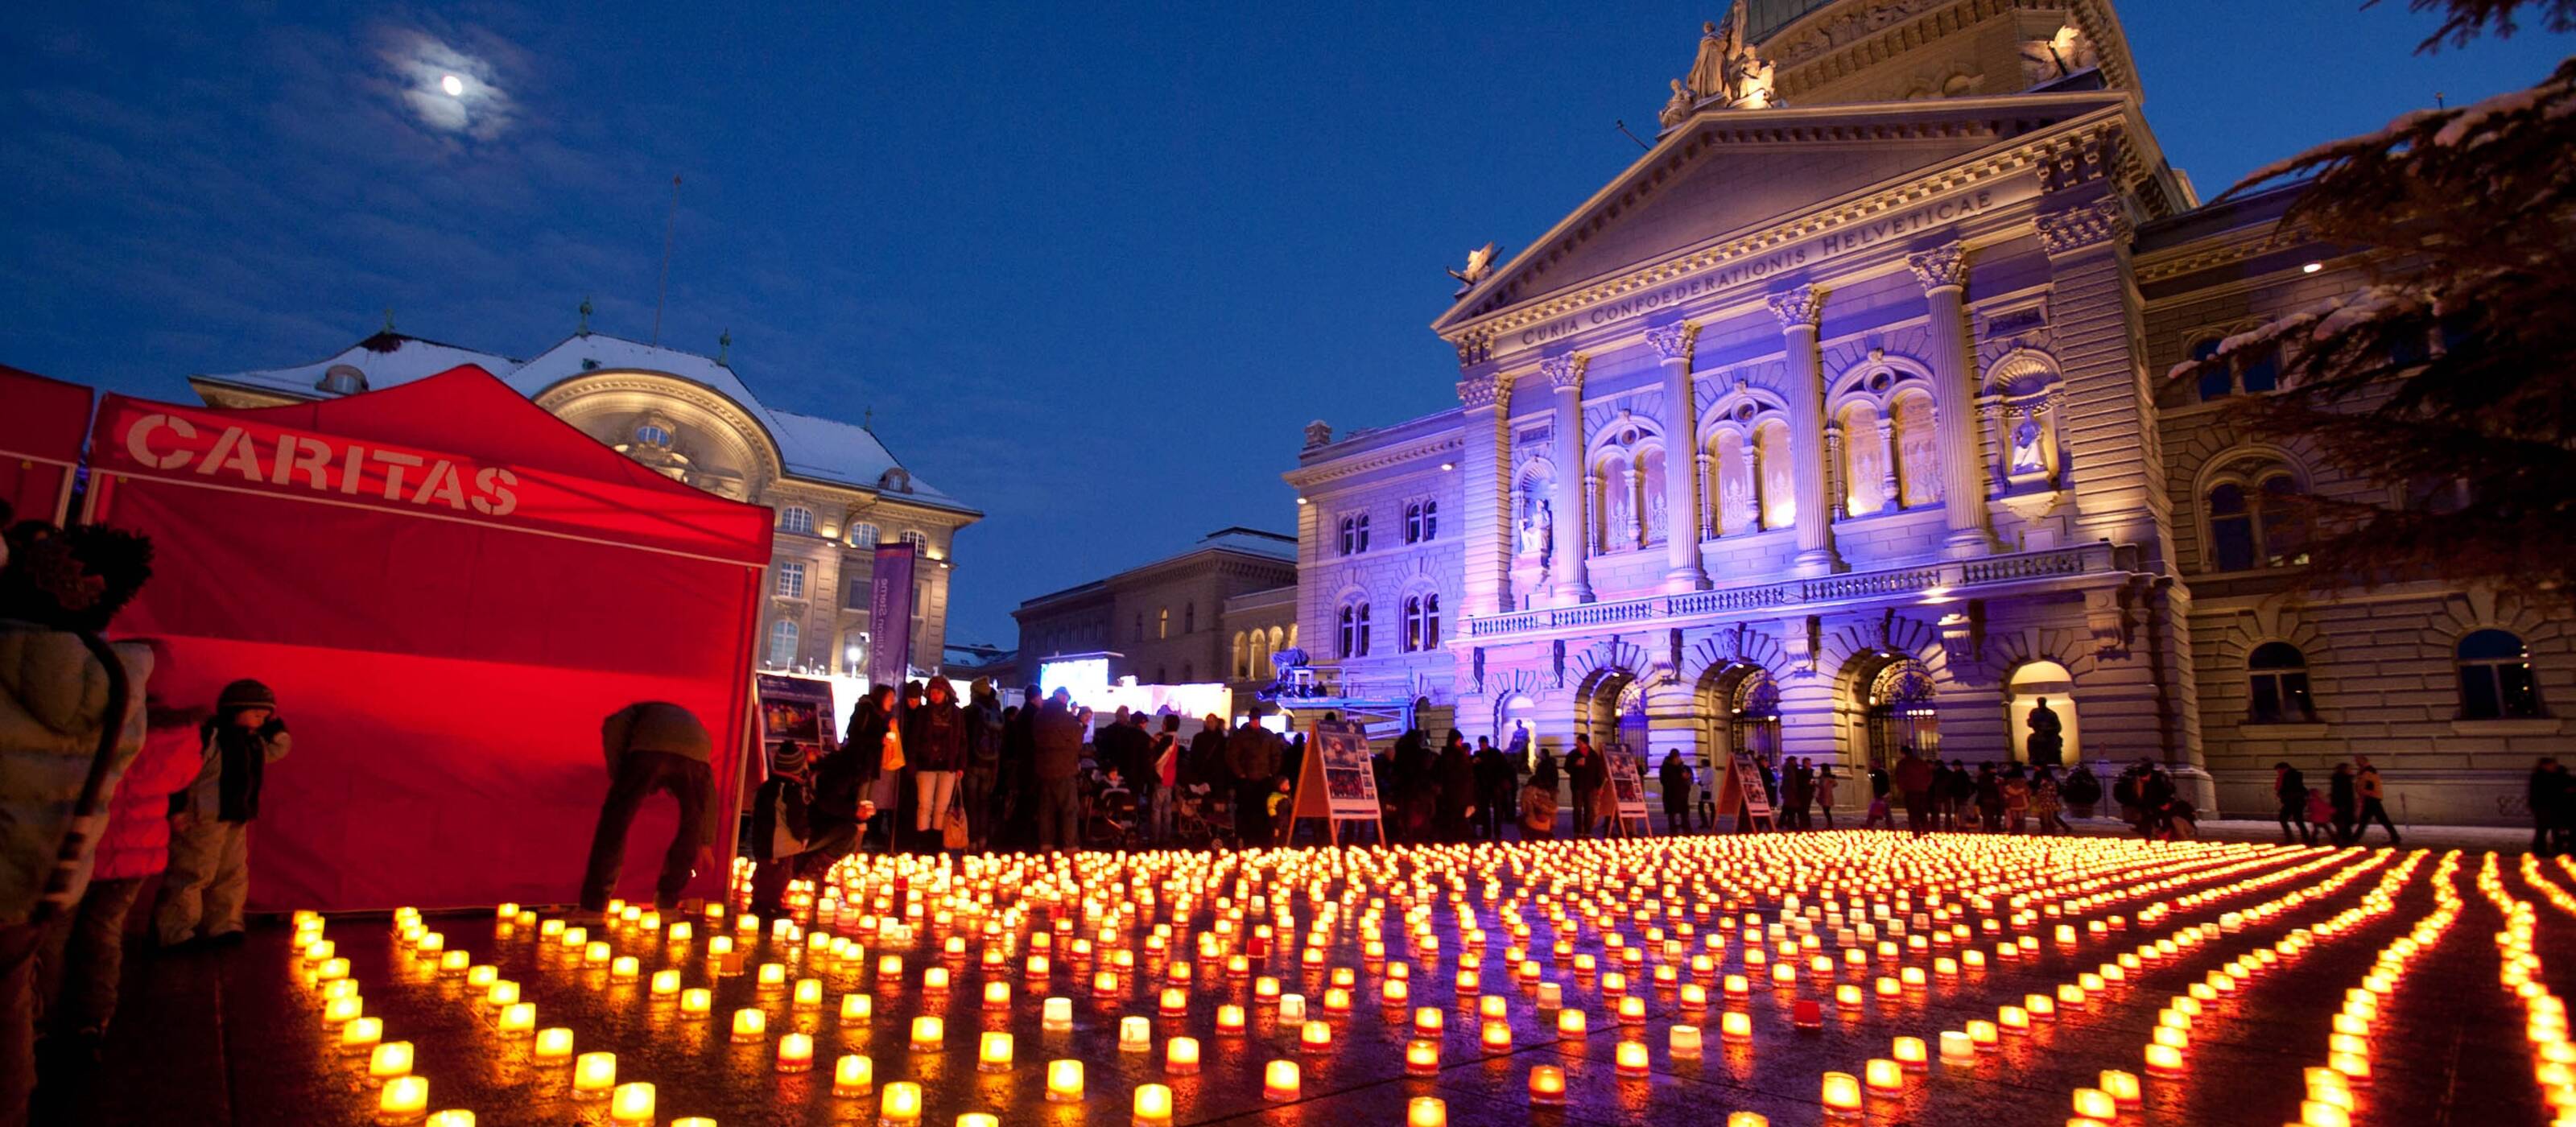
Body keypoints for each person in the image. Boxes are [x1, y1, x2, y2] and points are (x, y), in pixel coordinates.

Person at [37, 656, 200, 1057]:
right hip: (136, 854)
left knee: (51, 936)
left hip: (79, 845)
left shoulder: (94, 722)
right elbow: (181, 779)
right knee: (104, 933)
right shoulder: (178, 735)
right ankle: (91, 1018)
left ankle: (38, 1020)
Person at [155, 679, 291, 945]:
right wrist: (177, 808)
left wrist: (279, 729)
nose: (261, 721)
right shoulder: (211, 737)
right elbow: (183, 772)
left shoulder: (253, 742)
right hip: (202, 817)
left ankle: (224, 924)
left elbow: (276, 751)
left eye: (266, 717)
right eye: (256, 714)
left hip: (236, 816)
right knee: (193, 872)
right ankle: (176, 930)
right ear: (234, 710)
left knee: (232, 872)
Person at [575, 701, 716, 915]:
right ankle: (668, 901)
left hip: (649, 750)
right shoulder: (695, 733)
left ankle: (594, 904)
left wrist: (620, 776)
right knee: (691, 827)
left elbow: (612, 727)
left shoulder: (637, 713)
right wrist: (705, 842)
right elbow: (708, 801)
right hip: (695, 757)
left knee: (615, 822)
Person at [747, 741, 860, 917]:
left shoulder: (768, 787)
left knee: (765, 873)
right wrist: (804, 836)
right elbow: (796, 818)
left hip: (763, 842)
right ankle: (771, 907)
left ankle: (759, 902)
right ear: (797, 767)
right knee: (778, 878)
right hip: (780, 845)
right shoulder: (791, 790)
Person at [820, 686, 895, 852]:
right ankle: (853, 844)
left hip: (869, 764)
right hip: (859, 764)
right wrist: (880, 739)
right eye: (890, 698)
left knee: (865, 802)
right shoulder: (866, 710)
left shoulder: (879, 714)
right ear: (881, 697)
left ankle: (856, 843)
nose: (893, 702)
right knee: (859, 802)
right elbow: (856, 736)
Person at [902, 677, 966, 852]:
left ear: (946, 693)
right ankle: (922, 843)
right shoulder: (923, 713)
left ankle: (936, 844)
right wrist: (913, 762)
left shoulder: (956, 714)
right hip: (926, 765)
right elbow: (914, 739)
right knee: (925, 804)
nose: (935, 695)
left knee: (942, 806)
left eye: (938, 691)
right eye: (932, 691)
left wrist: (961, 765)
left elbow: (962, 740)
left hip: (948, 766)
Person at [1032, 690, 1085, 848]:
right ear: (1062, 698)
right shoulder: (1065, 717)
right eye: (1067, 698)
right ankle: (1070, 846)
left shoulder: (1039, 716)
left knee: (1046, 811)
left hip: (1043, 769)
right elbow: (1077, 740)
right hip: (1064, 769)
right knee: (1069, 809)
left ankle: (1046, 845)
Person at [1225, 710, 1282, 845]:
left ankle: (1262, 839)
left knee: (1263, 811)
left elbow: (1276, 755)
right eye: (1253, 719)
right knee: (1246, 811)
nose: (1255, 722)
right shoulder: (1241, 736)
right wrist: (1241, 773)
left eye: (1256, 719)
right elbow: (1232, 757)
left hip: (1263, 780)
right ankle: (1246, 838)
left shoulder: (1267, 735)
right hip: (1247, 781)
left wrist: (1271, 773)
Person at [961, 679, 1005, 850]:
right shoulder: (996, 712)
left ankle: (971, 840)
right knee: (984, 802)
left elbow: (964, 738)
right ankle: (983, 840)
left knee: (971, 802)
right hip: (991, 763)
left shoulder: (970, 711)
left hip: (972, 762)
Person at [1433, 731, 1476, 842]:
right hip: (1459, 792)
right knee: (1458, 818)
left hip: (1449, 792)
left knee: (1451, 818)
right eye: (1460, 741)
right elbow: (1464, 774)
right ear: (1456, 740)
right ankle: (1457, 840)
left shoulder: (1445, 755)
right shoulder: (1458, 755)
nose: (1461, 743)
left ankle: (1450, 839)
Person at [1149, 714, 1183, 843]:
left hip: (1161, 776)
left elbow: (1159, 759)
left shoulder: (1167, 740)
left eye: (1164, 722)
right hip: (1170, 777)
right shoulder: (1176, 739)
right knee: (1167, 810)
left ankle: (1155, 838)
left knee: (1156, 809)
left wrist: (1153, 750)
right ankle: (1166, 837)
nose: (1162, 725)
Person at [1564, 736, 1607, 839]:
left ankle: (1588, 831)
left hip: (1590, 787)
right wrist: (1575, 765)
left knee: (1589, 809)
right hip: (1577, 786)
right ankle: (1578, 831)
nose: (1577, 744)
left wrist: (1600, 786)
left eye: (1579, 742)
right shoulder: (1573, 754)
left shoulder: (1593, 755)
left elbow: (1598, 772)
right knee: (1577, 809)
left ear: (1585, 743)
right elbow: (1566, 768)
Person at [2352, 756, 2400, 845]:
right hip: (2371, 797)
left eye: (2358, 761)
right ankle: (2395, 837)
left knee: (2367, 820)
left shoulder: (2369, 771)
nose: (2356, 763)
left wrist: (2363, 793)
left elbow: (2369, 784)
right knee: (2373, 819)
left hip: (2371, 797)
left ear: (2363, 761)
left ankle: (2354, 838)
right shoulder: (2365, 770)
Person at [1473, 737, 1514, 840]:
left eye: (1483, 744)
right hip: (1484, 787)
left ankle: (1497, 832)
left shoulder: (1495, 753)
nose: (1482, 747)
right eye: (1480, 745)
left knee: (1497, 810)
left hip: (1495, 785)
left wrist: (1503, 780)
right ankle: (1487, 832)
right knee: (1485, 810)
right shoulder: (1478, 754)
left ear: (1487, 744)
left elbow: (1504, 768)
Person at [1892, 747, 1934, 837]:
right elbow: (1929, 776)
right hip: (1922, 791)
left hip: (1910, 791)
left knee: (1912, 812)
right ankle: (1926, 829)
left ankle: (1916, 832)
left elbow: (1899, 778)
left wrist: (1902, 789)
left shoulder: (1902, 764)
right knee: (1922, 811)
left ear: (1903, 753)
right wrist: (1925, 786)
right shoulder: (1921, 763)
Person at [2531, 758, 2568, 857]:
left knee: (2554, 829)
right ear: (2545, 765)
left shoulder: (2547, 776)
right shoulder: (2540, 777)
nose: (2553, 766)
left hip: (2552, 807)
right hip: (2544, 807)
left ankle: (2556, 848)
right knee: (2543, 830)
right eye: (2552, 765)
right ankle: (2541, 850)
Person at [2274, 761, 2314, 846]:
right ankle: (2305, 838)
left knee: (2285, 819)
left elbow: (2292, 788)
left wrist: (2282, 793)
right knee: (2297, 820)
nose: (2278, 772)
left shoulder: (2289, 776)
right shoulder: (2290, 776)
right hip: (2294, 801)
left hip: (2293, 801)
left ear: (2284, 769)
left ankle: (2293, 838)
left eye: (2279, 770)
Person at [1520, 762, 1561, 840]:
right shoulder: (1549, 792)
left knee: (1520, 819)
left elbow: (1524, 808)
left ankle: (1528, 837)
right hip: (1548, 825)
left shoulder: (1528, 791)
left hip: (1531, 823)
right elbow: (1554, 809)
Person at [1658, 750, 1695, 835]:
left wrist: (1686, 778)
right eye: (1676, 758)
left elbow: (1689, 779)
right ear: (1672, 758)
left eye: (1678, 757)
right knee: (1672, 814)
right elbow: (1664, 781)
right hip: (1671, 795)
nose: (1678, 759)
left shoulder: (1683, 767)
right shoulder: (1666, 768)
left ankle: (1687, 832)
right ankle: (1673, 832)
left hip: (1682, 795)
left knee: (1685, 814)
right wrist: (1679, 777)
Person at [2327, 762, 2358, 846]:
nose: (2351, 771)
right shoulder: (2342, 780)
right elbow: (2342, 794)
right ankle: (2343, 841)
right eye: (2349, 769)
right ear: (2344, 770)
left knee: (2344, 825)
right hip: (2344, 806)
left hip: (2343, 805)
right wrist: (2343, 805)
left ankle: (2343, 840)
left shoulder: (2342, 779)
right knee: (2344, 824)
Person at [2031, 765, 2067, 834]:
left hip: (2049, 803)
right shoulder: (2042, 781)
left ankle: (2051, 830)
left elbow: (2054, 792)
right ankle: (2046, 830)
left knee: (2051, 817)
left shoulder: (2050, 783)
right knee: (2044, 817)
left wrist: (2044, 791)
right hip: (2044, 803)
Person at [1974, 763, 2004, 833]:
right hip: (1991, 799)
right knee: (1990, 816)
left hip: (1986, 799)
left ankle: (1986, 829)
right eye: (1993, 768)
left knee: (1987, 816)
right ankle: (1992, 829)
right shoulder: (1994, 778)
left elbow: (1980, 789)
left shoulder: (1982, 778)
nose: (1995, 770)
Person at [2001, 765, 2030, 834]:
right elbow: (2028, 792)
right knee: (2021, 818)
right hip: (2023, 803)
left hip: (2013, 802)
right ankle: (2021, 831)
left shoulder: (2010, 783)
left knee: (2015, 818)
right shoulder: (2024, 783)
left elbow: (2007, 793)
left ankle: (2015, 831)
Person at [1814, 765, 1839, 830]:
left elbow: (1822, 786)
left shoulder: (1826, 777)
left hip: (1825, 796)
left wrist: (1816, 785)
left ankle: (1830, 824)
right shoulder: (1828, 777)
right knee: (1826, 811)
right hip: (1826, 795)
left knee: (1826, 811)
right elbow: (1835, 784)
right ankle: (1829, 824)